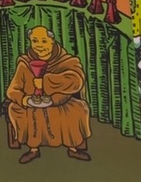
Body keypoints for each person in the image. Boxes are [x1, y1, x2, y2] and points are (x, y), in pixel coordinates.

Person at [6, 26, 92, 163]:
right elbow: (12, 90)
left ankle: (73, 148)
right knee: (14, 109)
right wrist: (25, 99)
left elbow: (76, 81)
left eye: (44, 41)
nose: (39, 45)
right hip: (32, 103)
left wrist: (45, 82)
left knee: (77, 109)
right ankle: (33, 149)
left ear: (52, 41)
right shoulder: (24, 63)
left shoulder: (67, 61)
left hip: (60, 102)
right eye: (35, 41)